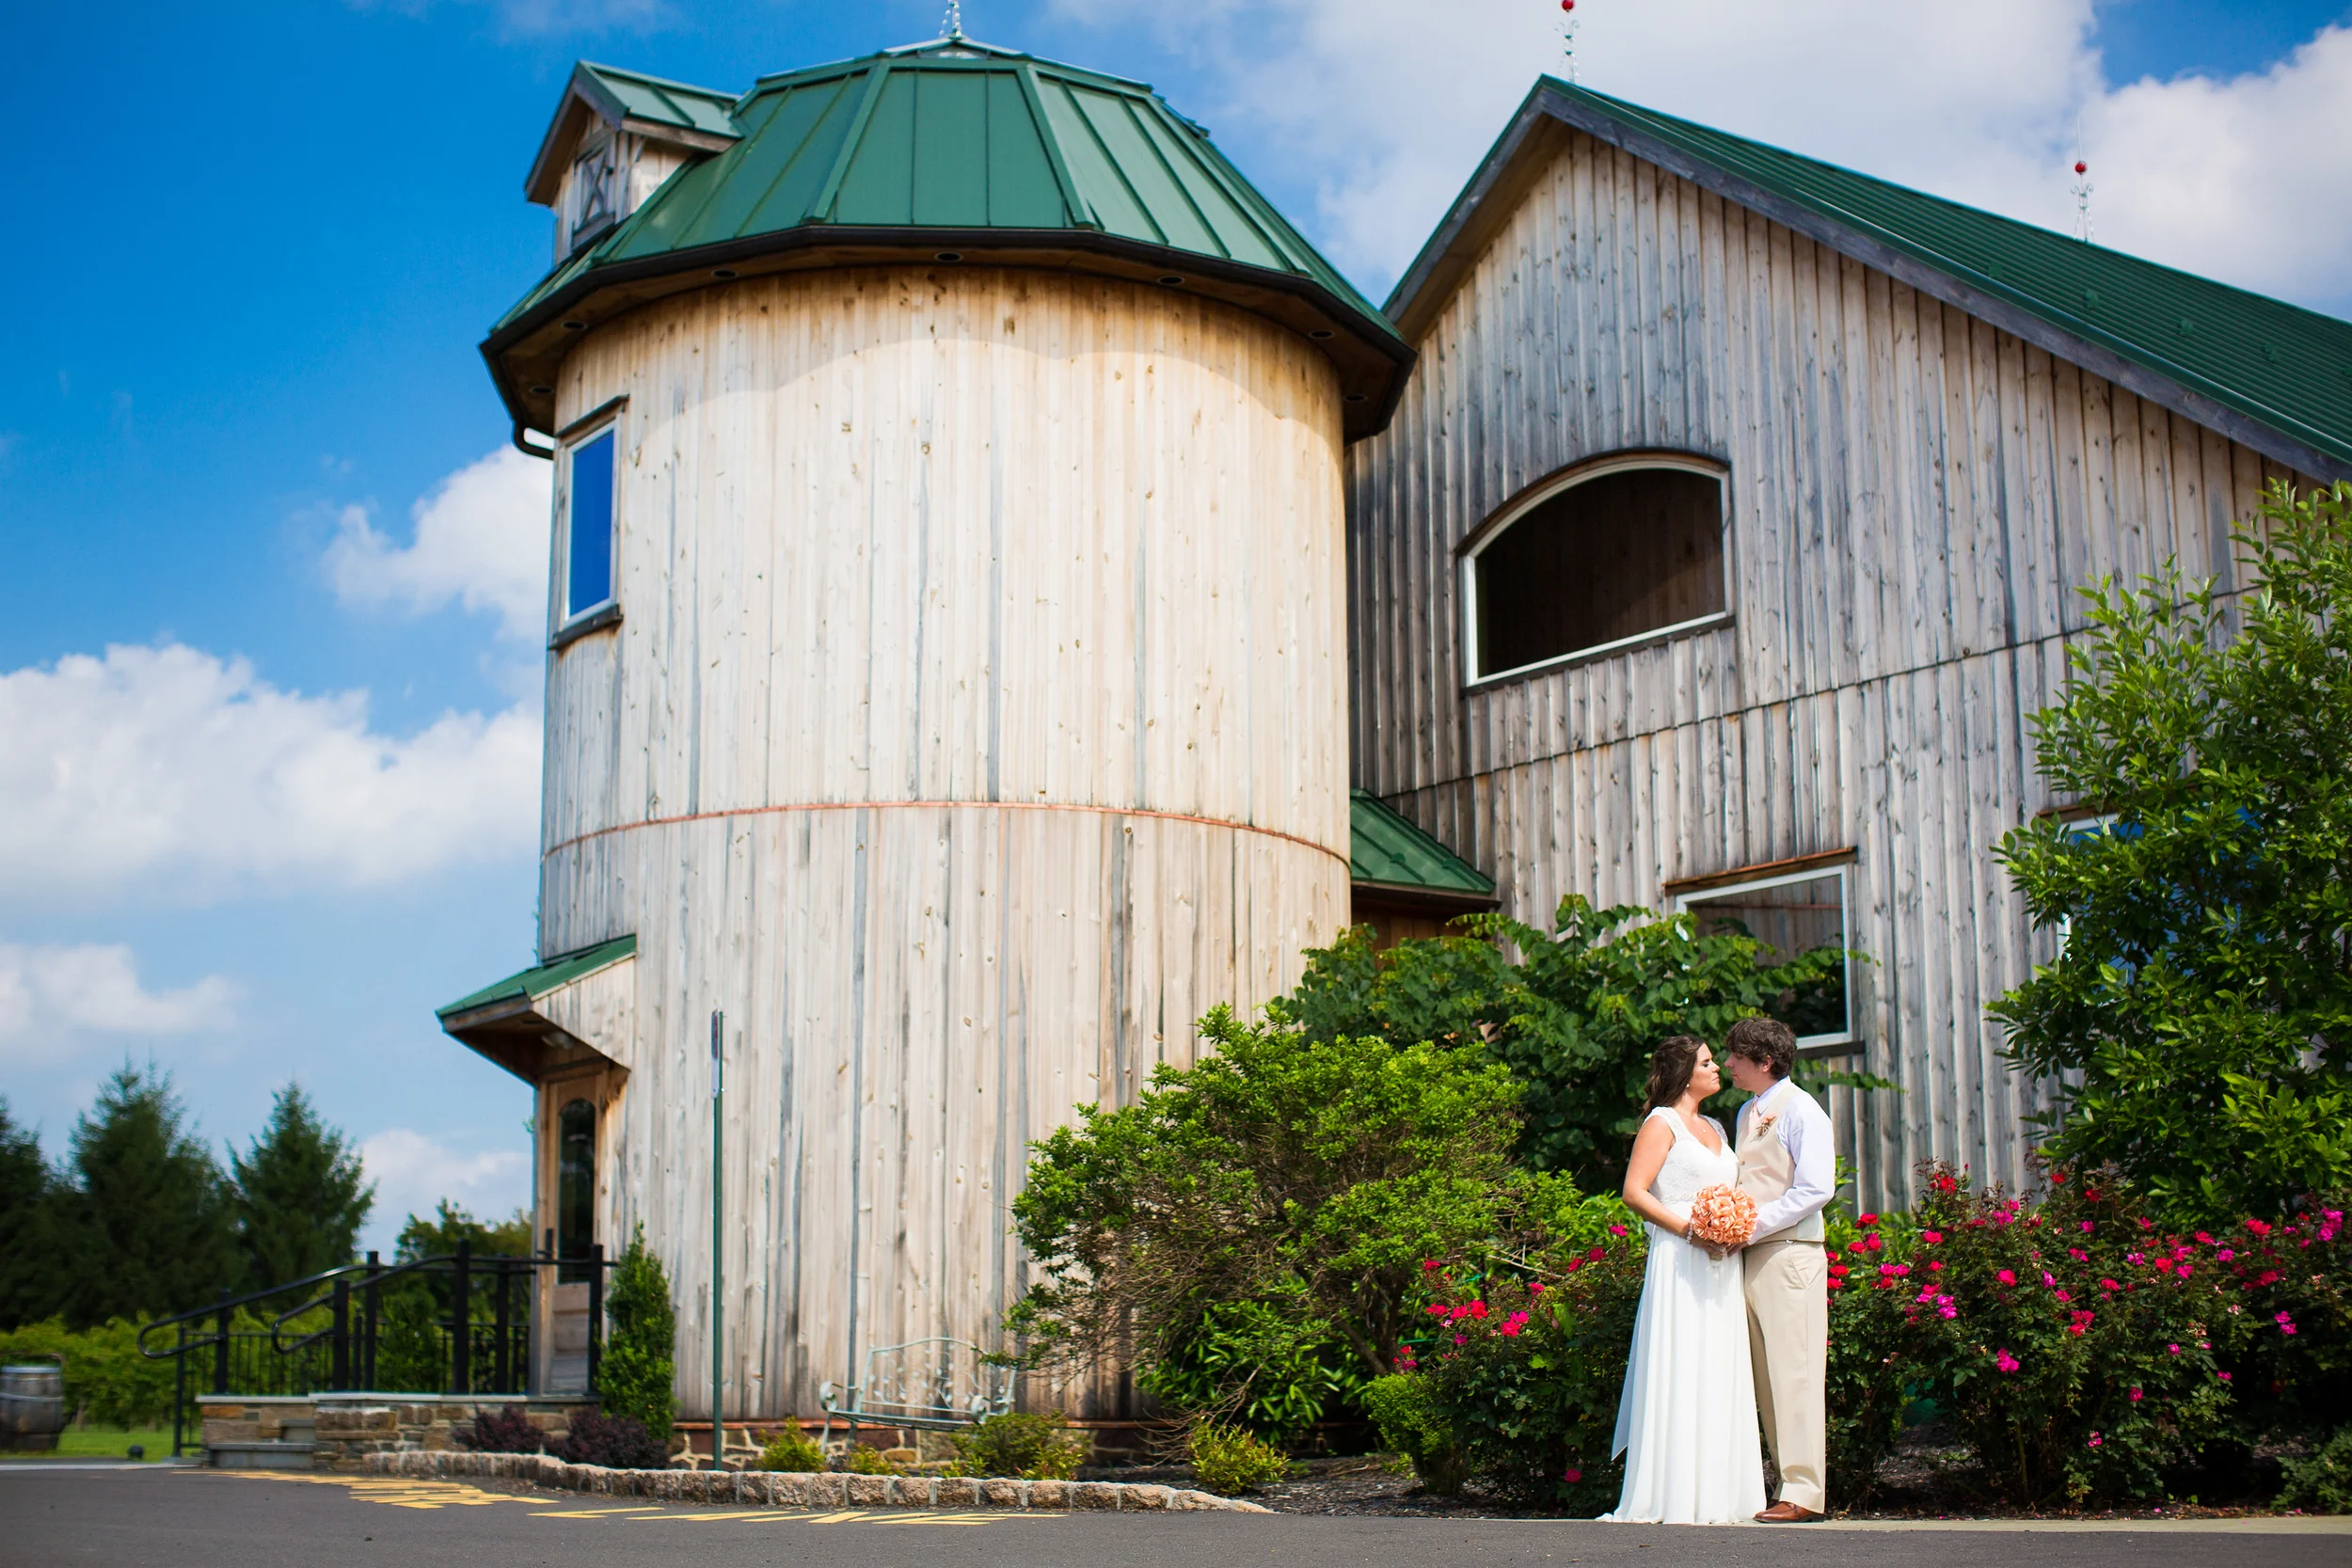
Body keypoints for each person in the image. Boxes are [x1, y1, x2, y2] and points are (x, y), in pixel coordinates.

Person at [1599, 1036, 1767, 1525]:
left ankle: (1722, 1492)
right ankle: (1671, 1491)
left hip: (1722, 1260)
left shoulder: (1715, 1124)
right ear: (1683, 1072)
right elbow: (1634, 1192)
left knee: (1719, 1364)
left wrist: (1731, 1225)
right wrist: (1693, 1230)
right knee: (1682, 1361)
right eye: (1709, 1062)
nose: (1719, 1069)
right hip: (1680, 1257)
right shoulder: (1662, 1123)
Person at [1724, 1015, 1834, 1522]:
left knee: (1796, 1374)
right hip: (1749, 1256)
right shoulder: (1748, 1110)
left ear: (1765, 1062)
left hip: (1790, 1251)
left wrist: (1748, 1226)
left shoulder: (1802, 1109)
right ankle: (1782, 1484)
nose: (1727, 1066)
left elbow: (1816, 1189)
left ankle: (1804, 1493)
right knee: (1764, 1379)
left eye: (1736, 1058)